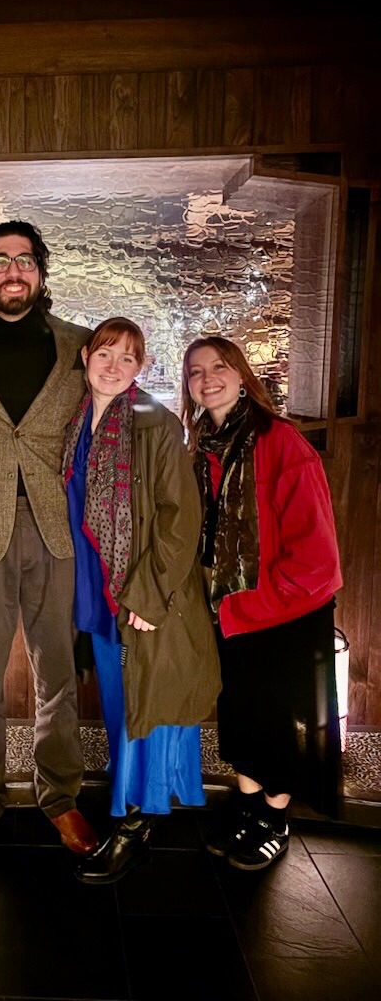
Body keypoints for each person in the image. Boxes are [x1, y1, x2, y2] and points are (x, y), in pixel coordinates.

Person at [0, 221, 99, 862]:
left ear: (40, 271)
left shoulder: (80, 345)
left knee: (58, 672)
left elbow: (115, 415)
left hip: (57, 528)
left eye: (25, 260)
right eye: (0, 260)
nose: (13, 271)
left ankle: (60, 796)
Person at [62, 317, 220, 884]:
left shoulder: (153, 421)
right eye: (105, 353)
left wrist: (149, 596)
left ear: (141, 367)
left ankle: (135, 825)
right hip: (98, 591)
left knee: (141, 707)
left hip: (140, 595)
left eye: (127, 358)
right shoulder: (79, 418)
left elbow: (181, 518)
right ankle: (133, 804)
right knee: (120, 705)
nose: (113, 366)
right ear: (86, 356)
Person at [182, 336, 342, 871]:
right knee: (241, 718)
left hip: (283, 613)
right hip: (229, 612)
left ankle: (275, 819)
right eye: (196, 371)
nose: (207, 378)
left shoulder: (280, 440)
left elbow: (317, 559)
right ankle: (248, 810)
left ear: (242, 375)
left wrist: (257, 604)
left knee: (275, 722)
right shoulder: (203, 445)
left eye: (219, 367)